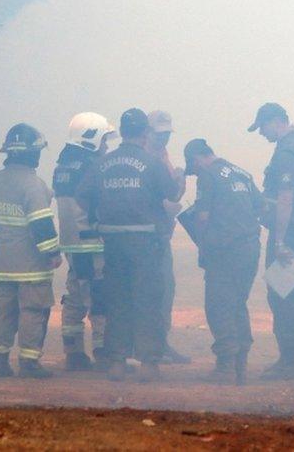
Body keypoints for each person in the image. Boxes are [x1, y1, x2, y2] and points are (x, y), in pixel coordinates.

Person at [76, 108, 182, 382]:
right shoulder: (151, 162)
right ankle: (148, 363)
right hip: (146, 243)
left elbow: (82, 196)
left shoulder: (102, 163)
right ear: (145, 132)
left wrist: (96, 221)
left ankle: (117, 363)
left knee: (118, 301)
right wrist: (180, 178)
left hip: (112, 242)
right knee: (148, 300)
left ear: (122, 132)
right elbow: (171, 193)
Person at [0, 123, 61, 379]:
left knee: (4, 311)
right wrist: (52, 253)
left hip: (3, 264)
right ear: (31, 153)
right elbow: (41, 224)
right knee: (32, 312)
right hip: (31, 267)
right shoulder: (33, 184)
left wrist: (4, 238)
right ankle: (29, 362)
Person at [183, 139, 265, 385]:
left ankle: (225, 366)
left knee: (219, 306)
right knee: (238, 303)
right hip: (249, 249)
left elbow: (202, 217)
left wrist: (203, 246)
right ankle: (241, 364)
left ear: (197, 158)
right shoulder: (243, 173)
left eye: (193, 167)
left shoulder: (208, 175)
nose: (194, 171)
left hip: (222, 251)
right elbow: (260, 207)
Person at [248, 102, 294, 381]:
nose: (261, 134)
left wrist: (278, 241)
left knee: (282, 294)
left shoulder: (288, 151)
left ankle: (290, 361)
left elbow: (286, 198)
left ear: (277, 121)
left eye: (262, 127)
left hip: (290, 233)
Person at [53, 112, 117, 372]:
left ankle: (74, 351)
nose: (106, 146)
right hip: (92, 241)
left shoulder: (64, 165)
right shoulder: (94, 167)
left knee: (75, 294)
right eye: (103, 140)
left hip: (72, 243)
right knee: (99, 295)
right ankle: (103, 352)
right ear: (90, 139)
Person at [146, 110, 191, 365]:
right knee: (154, 290)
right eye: (159, 133)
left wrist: (179, 185)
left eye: (166, 134)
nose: (164, 139)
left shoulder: (161, 155)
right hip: (149, 235)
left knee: (165, 289)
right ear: (146, 131)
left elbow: (170, 195)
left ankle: (160, 343)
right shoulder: (144, 157)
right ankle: (150, 346)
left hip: (161, 232)